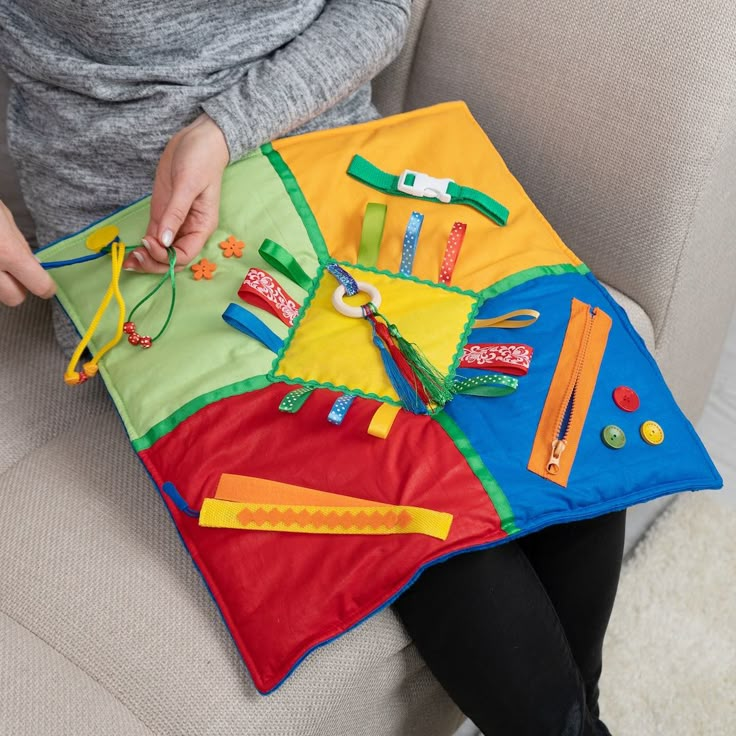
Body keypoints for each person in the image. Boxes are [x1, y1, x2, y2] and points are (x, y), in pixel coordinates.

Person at [0, 3, 625, 734]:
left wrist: (225, 128)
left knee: (569, 434)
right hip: (143, 241)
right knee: (415, 506)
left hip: (338, 172)